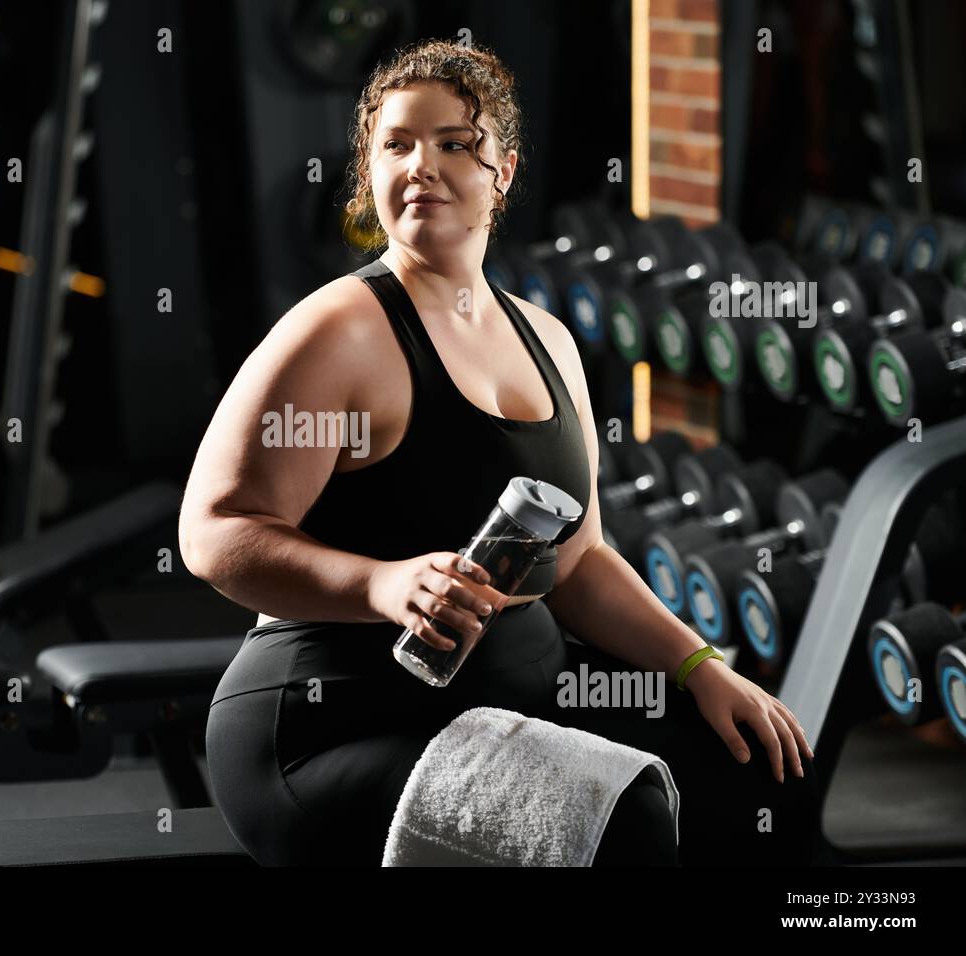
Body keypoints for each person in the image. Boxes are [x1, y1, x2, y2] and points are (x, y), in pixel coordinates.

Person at [178, 38, 822, 867]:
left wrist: (701, 665)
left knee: (765, 777)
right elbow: (215, 533)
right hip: (338, 726)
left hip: (525, 708)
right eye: (397, 145)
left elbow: (582, 560)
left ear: (504, 172)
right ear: (369, 171)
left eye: (454, 143)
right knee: (618, 825)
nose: (422, 165)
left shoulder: (547, 339)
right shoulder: (338, 332)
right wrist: (383, 583)